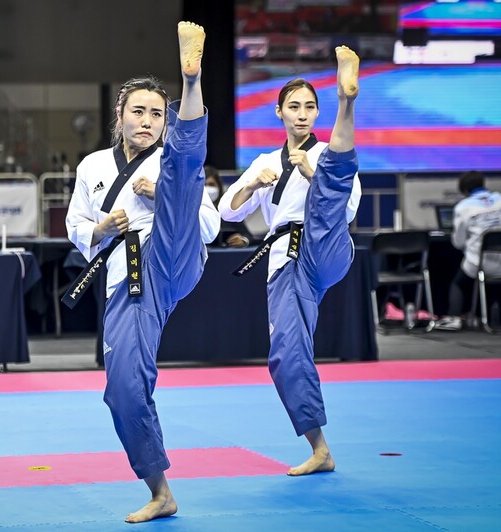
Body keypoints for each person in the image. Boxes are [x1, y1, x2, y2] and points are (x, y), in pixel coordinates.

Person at [65, 22, 219, 523]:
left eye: (158, 113)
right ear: (120, 115)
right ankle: (159, 488)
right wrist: (102, 227)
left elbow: (211, 226)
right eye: (141, 111)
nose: (149, 120)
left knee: (180, 174)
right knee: (123, 389)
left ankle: (190, 78)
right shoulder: (92, 166)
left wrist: (168, 198)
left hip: (173, 251)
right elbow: (74, 227)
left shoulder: (171, 158)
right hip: (126, 276)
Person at [218, 46, 362, 476]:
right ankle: (319, 448)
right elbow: (227, 209)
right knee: (285, 354)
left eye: (310, 107)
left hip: (327, 241)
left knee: (330, 184)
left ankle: (348, 99)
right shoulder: (263, 162)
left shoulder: (319, 155)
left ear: (318, 113)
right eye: (294, 107)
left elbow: (348, 207)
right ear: (278, 112)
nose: (302, 114)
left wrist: (310, 174)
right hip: (286, 260)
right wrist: (251, 187)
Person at [434, 171, 501, 331]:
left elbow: (458, 242)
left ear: (464, 190)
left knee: (458, 282)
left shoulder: (463, 207)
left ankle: (454, 317)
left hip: (480, 264)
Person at [204, 164, 252, 247]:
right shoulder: (189, 212)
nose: (207, 189)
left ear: (219, 186)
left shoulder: (227, 210)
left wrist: (242, 240)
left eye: (211, 185)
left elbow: (247, 236)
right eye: (204, 185)